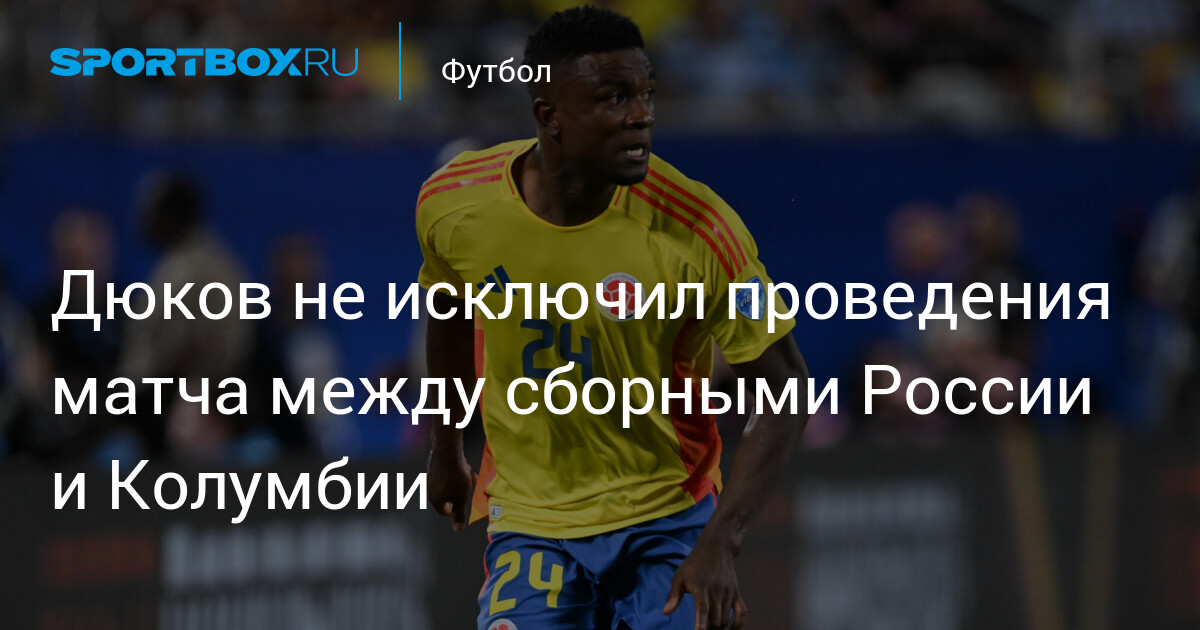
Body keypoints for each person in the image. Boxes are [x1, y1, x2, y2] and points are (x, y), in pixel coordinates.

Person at [416, 7, 810, 630]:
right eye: (613, 97)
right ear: (549, 115)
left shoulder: (698, 228)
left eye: (646, 93)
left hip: (668, 518)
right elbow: (448, 310)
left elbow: (786, 388)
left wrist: (722, 540)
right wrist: (446, 447)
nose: (641, 115)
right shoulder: (454, 204)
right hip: (532, 521)